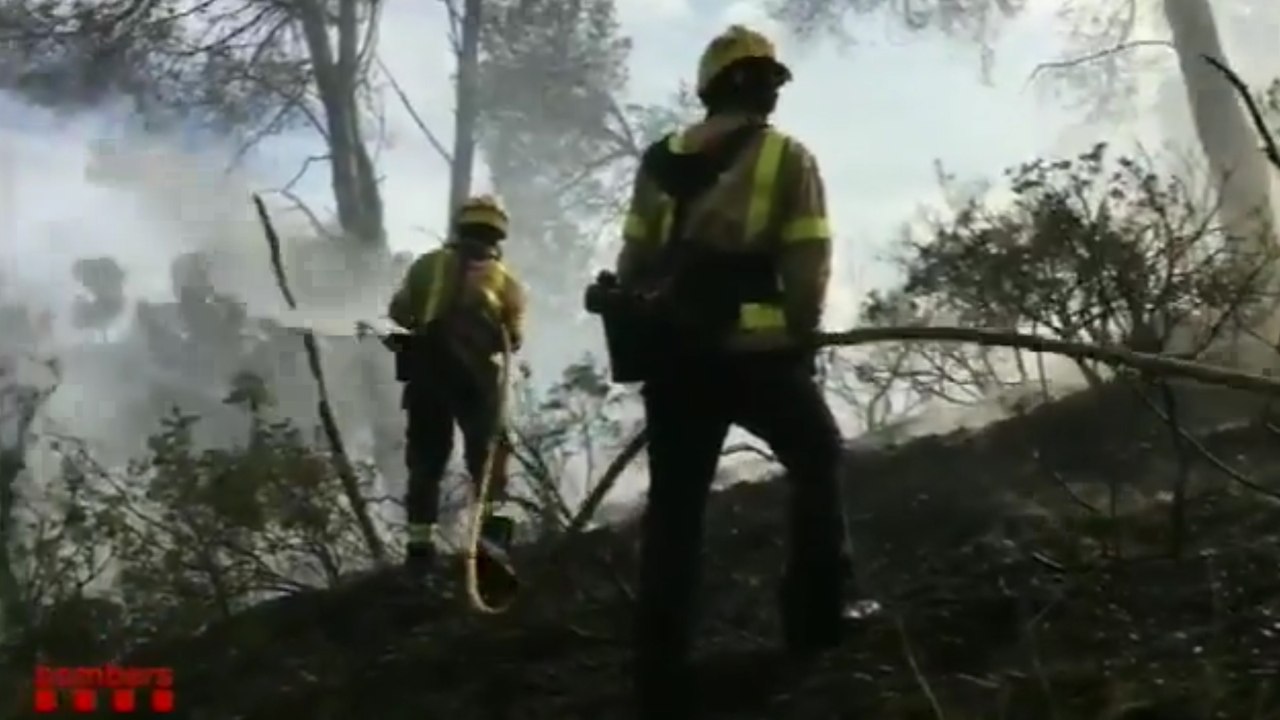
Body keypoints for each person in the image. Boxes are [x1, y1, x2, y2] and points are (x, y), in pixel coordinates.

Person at [609, 25, 865, 717]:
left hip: (672, 359)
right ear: (765, 89)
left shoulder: (659, 160)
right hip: (756, 356)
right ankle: (815, 623)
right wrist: (799, 340)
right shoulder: (788, 158)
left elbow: (633, 265)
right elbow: (806, 264)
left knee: (675, 515)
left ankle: (659, 673)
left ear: (710, 87)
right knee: (817, 457)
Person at [386, 194, 525, 584]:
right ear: (499, 236)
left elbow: (399, 314)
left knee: (427, 461)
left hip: (427, 374)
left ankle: (419, 554)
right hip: (477, 380)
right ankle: (494, 542)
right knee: (491, 456)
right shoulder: (507, 281)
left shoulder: (427, 265)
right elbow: (513, 338)